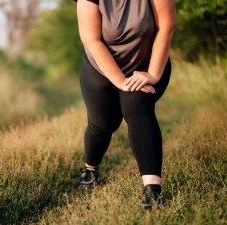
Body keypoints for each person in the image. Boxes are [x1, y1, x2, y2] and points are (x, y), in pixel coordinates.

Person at [74, 0, 176, 210]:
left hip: (147, 67)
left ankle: (152, 191)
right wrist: (121, 82)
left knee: (137, 106)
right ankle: (91, 169)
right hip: (101, 70)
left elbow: (166, 26)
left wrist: (153, 74)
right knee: (103, 125)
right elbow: (92, 40)